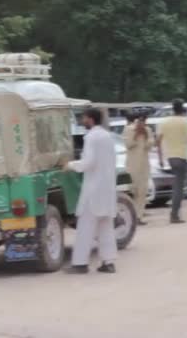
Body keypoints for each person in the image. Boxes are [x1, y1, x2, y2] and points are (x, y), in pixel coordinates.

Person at [65, 108, 118, 274]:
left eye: (84, 118)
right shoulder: (107, 136)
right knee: (105, 226)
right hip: (107, 188)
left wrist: (70, 165)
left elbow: (88, 162)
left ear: (91, 119)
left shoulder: (92, 137)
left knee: (85, 227)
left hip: (93, 189)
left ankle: (80, 263)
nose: (82, 121)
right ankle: (108, 262)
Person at [156, 99, 187, 224]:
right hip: (181, 157)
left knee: (176, 185)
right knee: (178, 187)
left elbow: (158, 141)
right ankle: (174, 215)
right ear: (181, 108)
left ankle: (175, 213)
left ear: (173, 108)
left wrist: (160, 158)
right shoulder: (185, 122)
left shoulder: (165, 122)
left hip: (170, 157)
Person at [122, 113, 154, 225]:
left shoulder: (148, 130)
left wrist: (145, 135)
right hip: (132, 164)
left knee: (142, 191)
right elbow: (128, 144)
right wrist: (136, 135)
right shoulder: (128, 129)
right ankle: (131, 216)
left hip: (144, 165)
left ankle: (138, 217)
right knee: (133, 190)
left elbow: (150, 145)